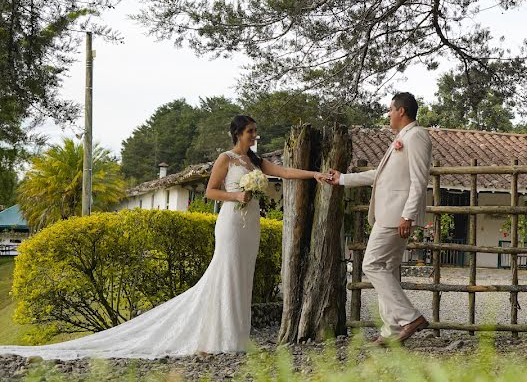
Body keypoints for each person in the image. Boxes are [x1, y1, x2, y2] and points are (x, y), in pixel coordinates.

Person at [0, 115, 327, 360]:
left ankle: (236, 338)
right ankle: (217, 340)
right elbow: (213, 191)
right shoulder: (225, 160)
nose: (255, 136)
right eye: (251, 131)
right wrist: (236, 197)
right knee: (225, 275)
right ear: (238, 134)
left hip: (251, 224)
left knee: (243, 277)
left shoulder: (255, 161)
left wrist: (314, 174)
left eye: (255, 132)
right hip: (230, 222)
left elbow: (284, 172)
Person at [326, 92, 432, 345]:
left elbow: (419, 179)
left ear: (401, 111)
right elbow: (380, 175)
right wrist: (342, 179)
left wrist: (407, 215)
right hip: (389, 214)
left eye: (390, 109)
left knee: (371, 265)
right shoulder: (401, 138)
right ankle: (392, 330)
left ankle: (410, 317)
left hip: (396, 215)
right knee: (386, 269)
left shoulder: (416, 136)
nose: (388, 114)